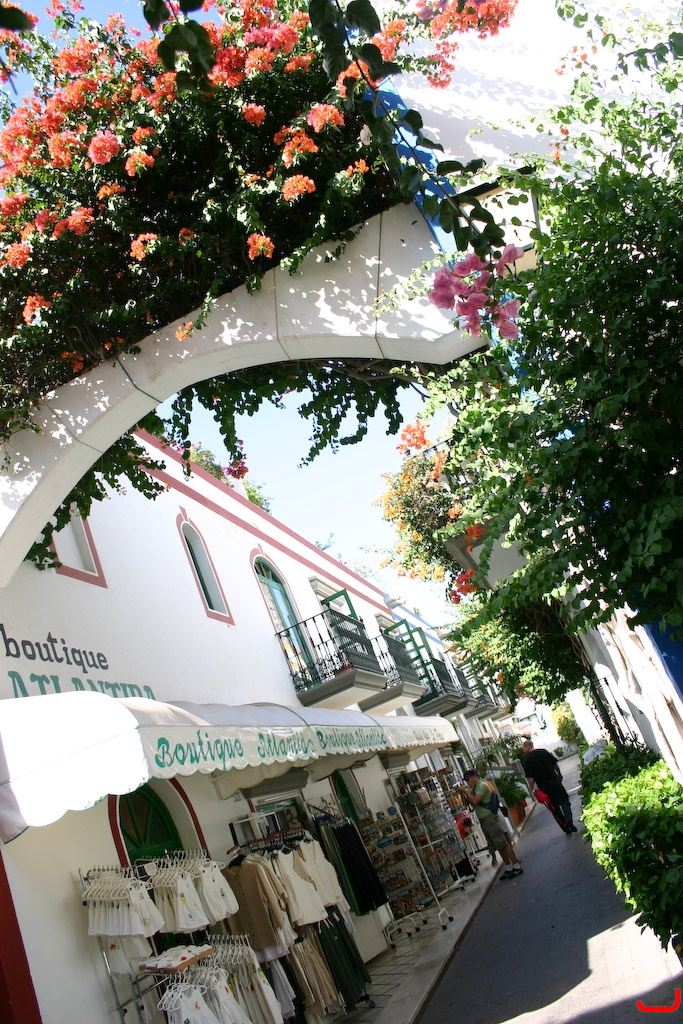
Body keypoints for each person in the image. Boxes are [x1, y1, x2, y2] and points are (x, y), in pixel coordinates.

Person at [457, 769, 523, 880]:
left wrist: (465, 791)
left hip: (489, 817)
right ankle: (508, 867)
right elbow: (467, 804)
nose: (467, 782)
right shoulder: (473, 789)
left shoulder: (482, 786)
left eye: (468, 780)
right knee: (498, 845)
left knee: (502, 842)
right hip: (483, 819)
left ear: (473, 777)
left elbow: (475, 801)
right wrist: (463, 794)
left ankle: (516, 865)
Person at [522, 739, 577, 833]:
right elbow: (555, 764)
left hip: (544, 787)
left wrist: (532, 789)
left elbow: (530, 778)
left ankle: (565, 827)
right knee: (564, 801)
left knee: (554, 807)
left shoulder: (527, 761)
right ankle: (569, 820)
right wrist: (559, 774)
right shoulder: (543, 752)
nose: (523, 751)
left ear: (527, 747)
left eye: (523, 748)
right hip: (554, 781)